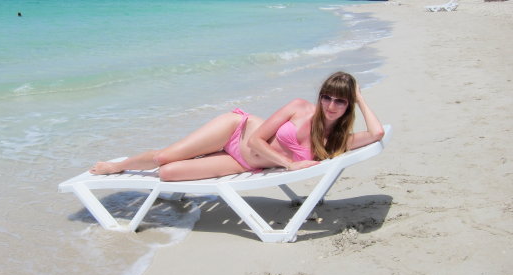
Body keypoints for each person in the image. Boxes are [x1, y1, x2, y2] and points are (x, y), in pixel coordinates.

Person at [90, 72, 384, 181]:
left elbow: (376, 133)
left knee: (167, 174)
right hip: (236, 131)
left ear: (349, 106)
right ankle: (119, 166)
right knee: (164, 158)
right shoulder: (299, 107)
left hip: (243, 164)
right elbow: (256, 141)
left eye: (340, 101)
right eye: (326, 97)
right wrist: (288, 164)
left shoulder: (337, 141)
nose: (331, 105)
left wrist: (359, 97)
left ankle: (199, 156)